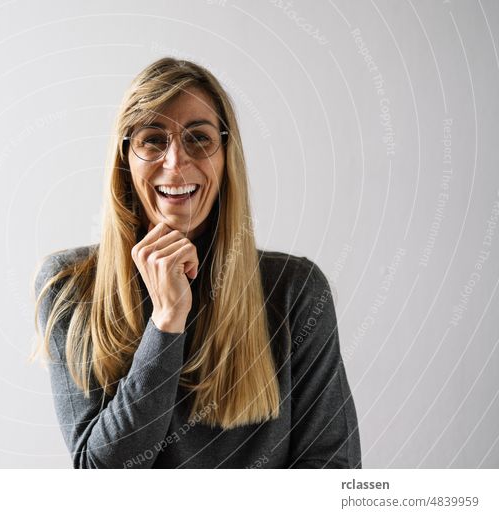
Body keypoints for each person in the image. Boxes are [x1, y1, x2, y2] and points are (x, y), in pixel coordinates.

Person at [32, 57, 361, 468]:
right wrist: (166, 322)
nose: (176, 163)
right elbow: (101, 473)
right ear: (125, 159)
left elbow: (333, 470)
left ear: (226, 155)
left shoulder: (295, 291)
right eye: (152, 139)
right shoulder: (71, 287)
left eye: (199, 138)